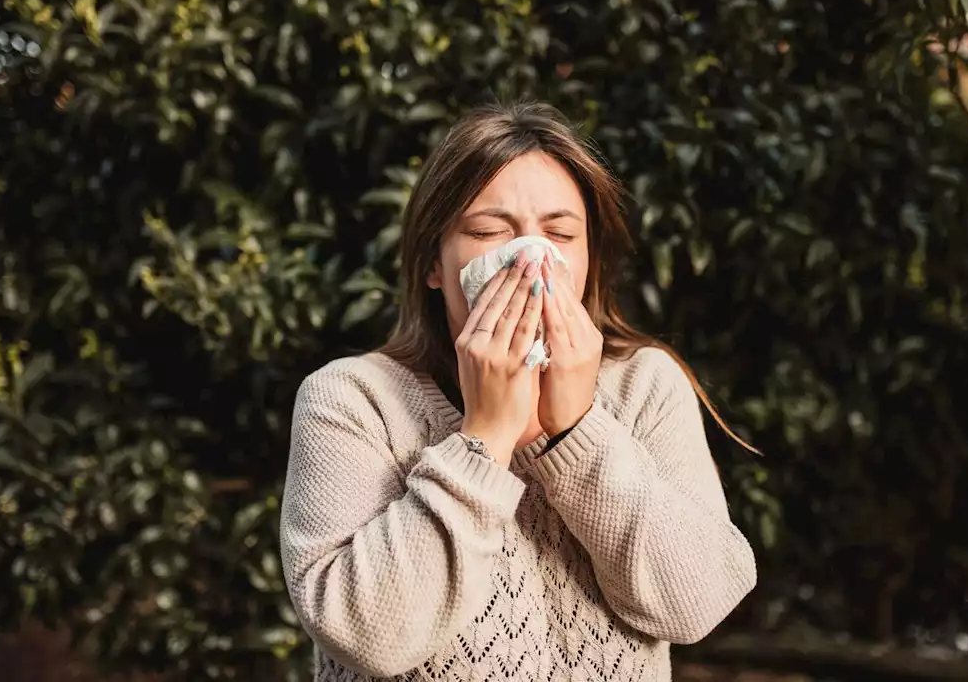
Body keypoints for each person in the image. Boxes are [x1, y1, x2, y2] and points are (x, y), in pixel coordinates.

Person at [280, 102, 757, 681]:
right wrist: (485, 437)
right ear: (434, 261)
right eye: (487, 232)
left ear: (586, 259)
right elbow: (366, 636)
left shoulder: (645, 387)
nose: (531, 260)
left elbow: (697, 604)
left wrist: (577, 431)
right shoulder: (352, 400)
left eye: (559, 234)